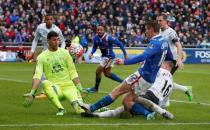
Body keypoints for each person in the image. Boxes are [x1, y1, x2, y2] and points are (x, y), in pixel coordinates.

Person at [79, 20, 172, 118]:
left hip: (143, 75)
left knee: (116, 91)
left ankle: (91, 108)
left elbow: (143, 56)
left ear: (152, 29)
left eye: (146, 30)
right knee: (127, 101)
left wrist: (125, 62)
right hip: (150, 79)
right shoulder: (164, 41)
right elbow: (169, 56)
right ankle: (148, 114)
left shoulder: (155, 42)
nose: (145, 32)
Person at [81, 61, 175, 120]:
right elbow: (165, 103)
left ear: (167, 66)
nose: (161, 64)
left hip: (149, 95)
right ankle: (152, 113)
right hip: (157, 101)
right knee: (127, 105)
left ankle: (97, 114)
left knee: (125, 102)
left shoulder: (160, 70)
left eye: (163, 63)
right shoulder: (171, 82)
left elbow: (147, 68)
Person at [23, 31, 84, 116]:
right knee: (45, 83)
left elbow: (73, 71)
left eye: (58, 40)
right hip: (56, 89)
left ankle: (99, 108)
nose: (56, 42)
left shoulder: (65, 53)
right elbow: (37, 75)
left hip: (69, 86)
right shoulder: (42, 57)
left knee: (80, 110)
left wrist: (80, 88)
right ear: (48, 41)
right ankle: (61, 109)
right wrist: (32, 92)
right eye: (54, 40)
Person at [26, 14, 66, 97]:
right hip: (45, 52)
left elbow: (63, 42)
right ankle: (34, 92)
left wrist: (61, 52)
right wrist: (32, 52)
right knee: (37, 72)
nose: (49, 21)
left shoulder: (56, 30)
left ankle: (43, 92)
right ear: (44, 20)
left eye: (51, 19)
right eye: (47, 19)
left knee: (44, 72)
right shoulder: (40, 27)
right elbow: (35, 39)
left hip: (54, 53)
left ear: (53, 20)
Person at [157, 13, 193, 102]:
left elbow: (179, 46)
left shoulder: (171, 32)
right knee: (162, 80)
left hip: (172, 61)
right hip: (164, 60)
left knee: (162, 81)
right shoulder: (159, 31)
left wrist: (179, 60)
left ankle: (164, 103)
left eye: (160, 20)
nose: (158, 22)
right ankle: (186, 89)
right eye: (157, 20)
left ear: (166, 21)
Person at [85, 25, 128, 93]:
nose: (99, 31)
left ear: (104, 30)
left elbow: (119, 44)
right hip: (105, 57)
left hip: (109, 57)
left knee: (98, 71)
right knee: (107, 74)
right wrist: (91, 53)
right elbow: (95, 47)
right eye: (98, 30)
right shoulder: (96, 38)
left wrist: (125, 54)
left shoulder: (109, 38)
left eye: (101, 30)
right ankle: (125, 83)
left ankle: (95, 89)